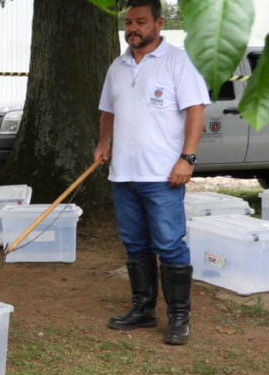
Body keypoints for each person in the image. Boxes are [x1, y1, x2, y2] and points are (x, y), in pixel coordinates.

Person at [93, 0, 209, 346]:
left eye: (141, 22)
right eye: (128, 22)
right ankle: (143, 309)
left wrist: (187, 158)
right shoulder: (118, 66)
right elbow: (107, 110)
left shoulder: (178, 61)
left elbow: (195, 112)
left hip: (162, 175)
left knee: (170, 245)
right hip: (123, 174)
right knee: (135, 245)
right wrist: (103, 143)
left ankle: (178, 318)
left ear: (158, 23)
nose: (133, 28)